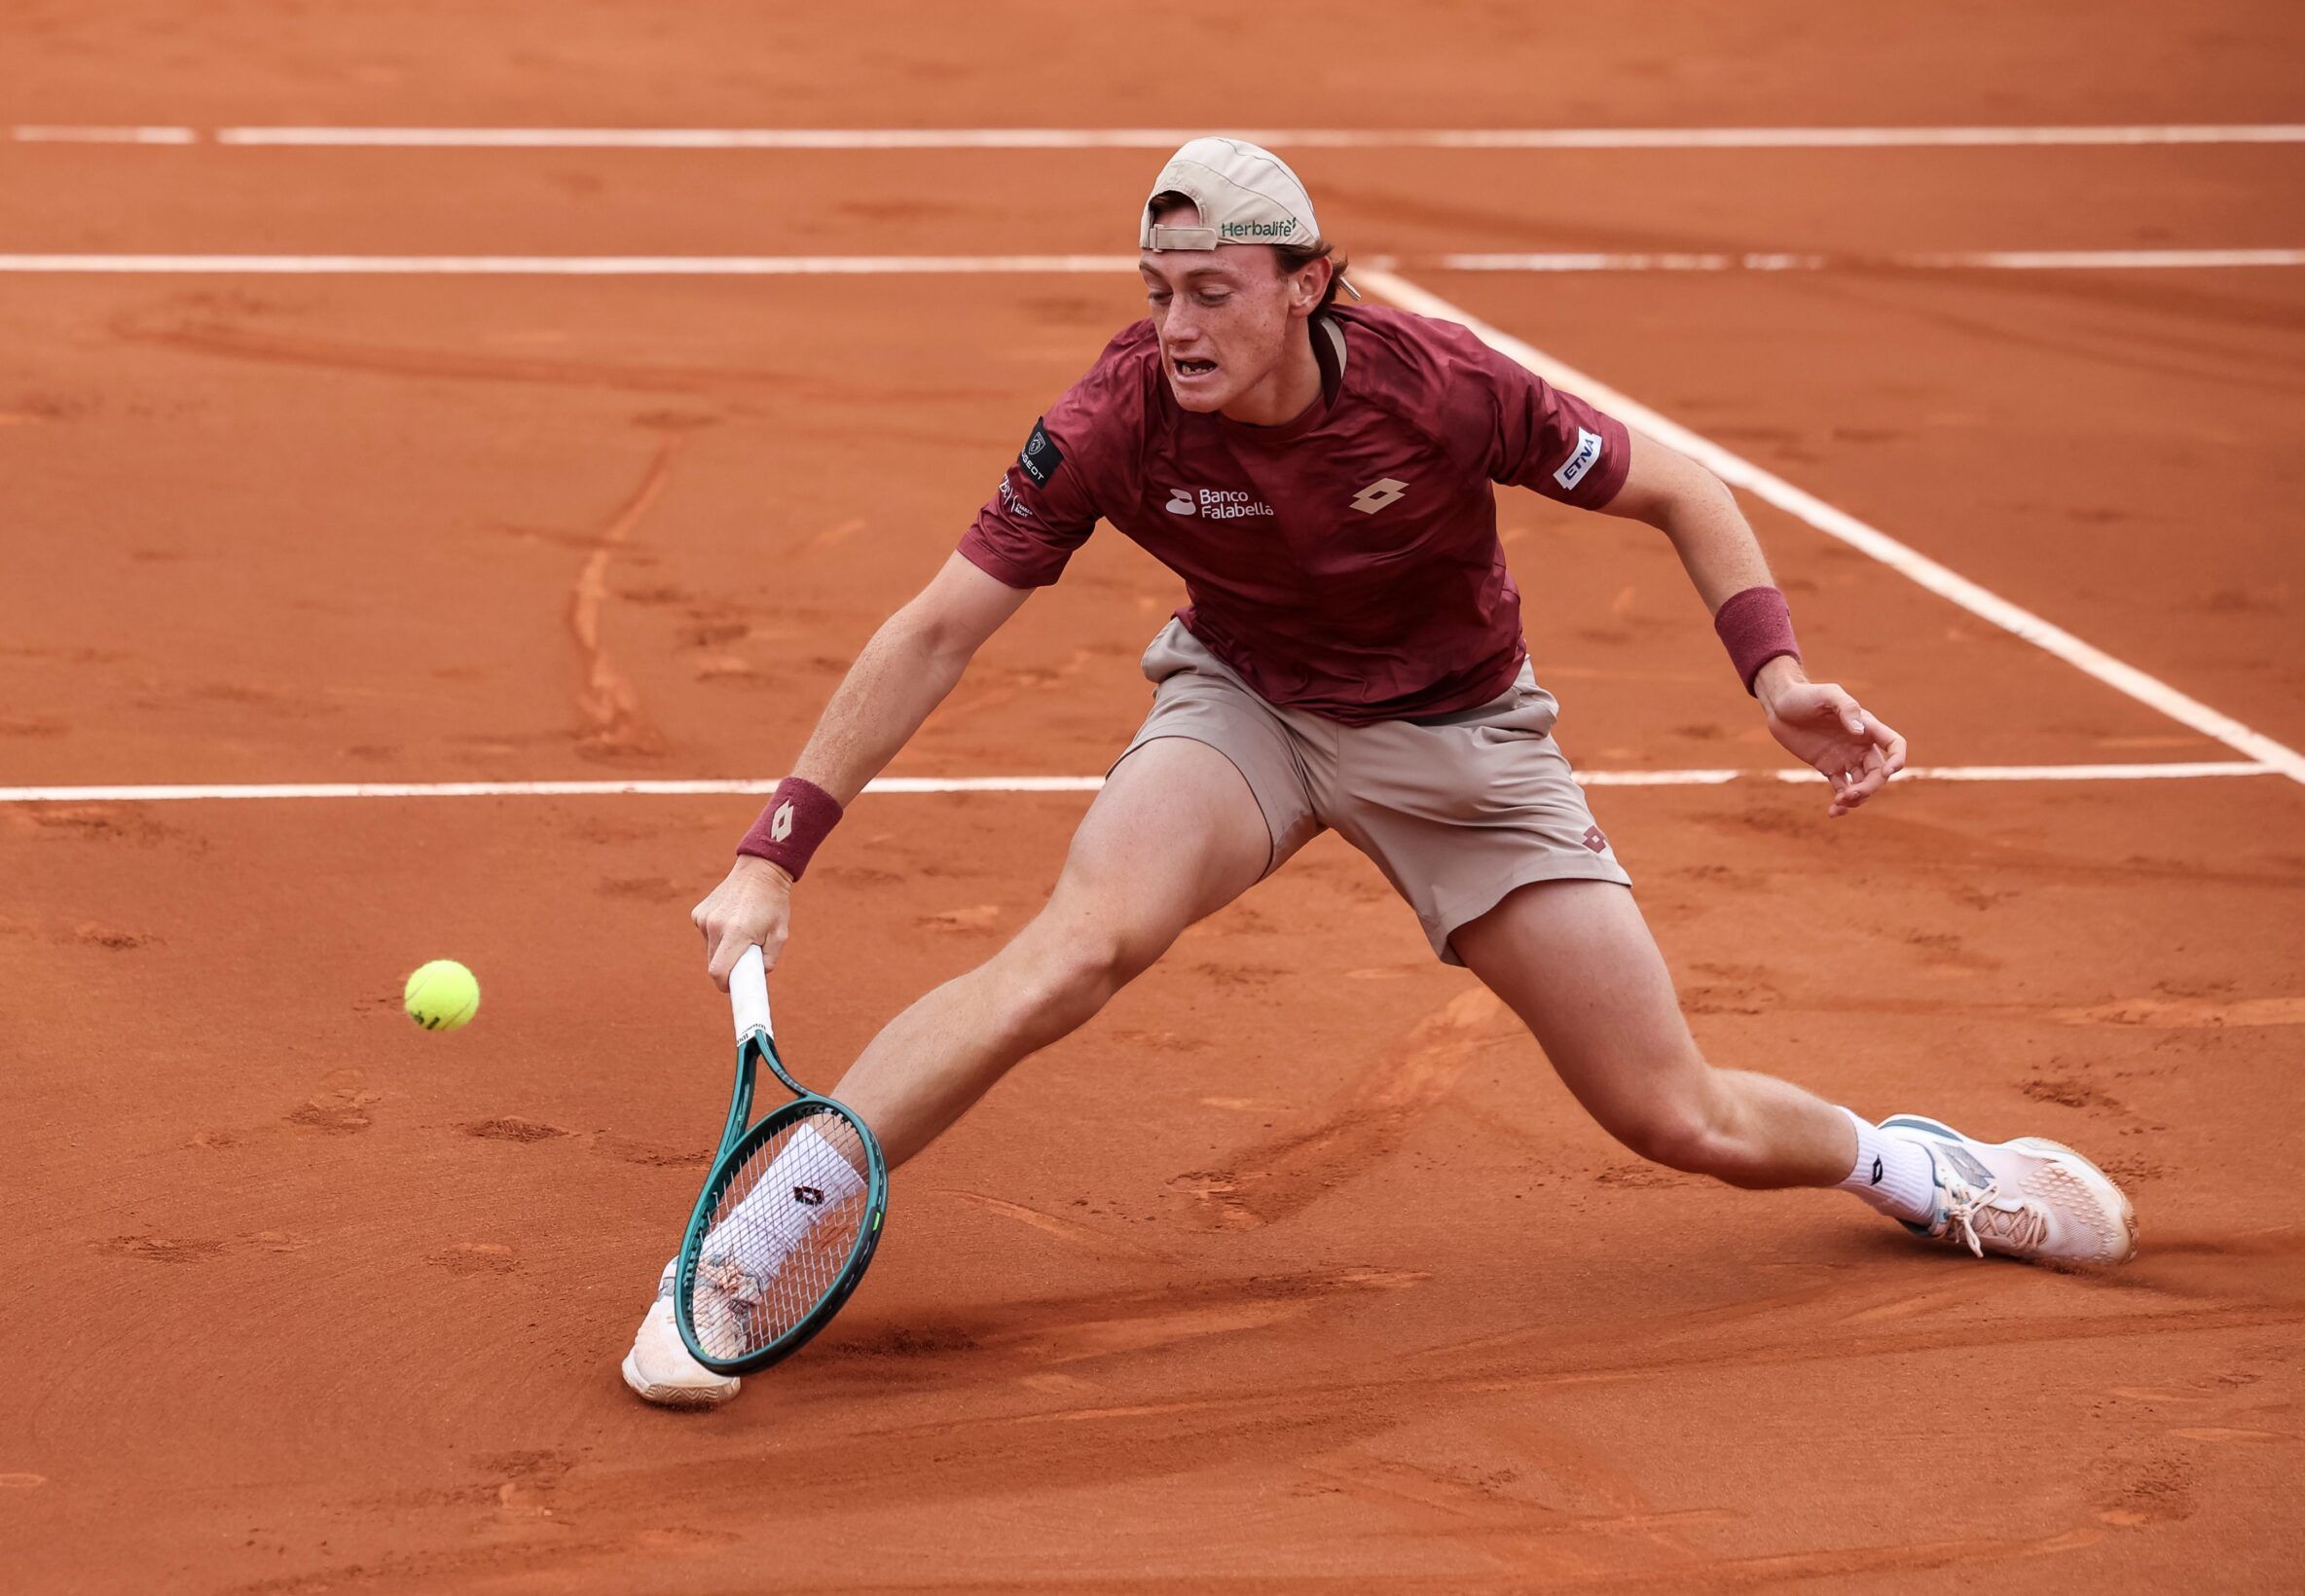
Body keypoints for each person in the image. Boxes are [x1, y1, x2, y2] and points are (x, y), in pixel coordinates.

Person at [622, 137, 2136, 1407]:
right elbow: (939, 628)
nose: (1180, 327)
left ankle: (1912, 1168)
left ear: (1307, 284)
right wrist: (776, 847)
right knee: (1071, 953)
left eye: (1214, 292)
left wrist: (1779, 674)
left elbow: (1683, 485)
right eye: (1159, 294)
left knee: (1681, 1120)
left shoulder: (1444, 387)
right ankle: (757, 1245)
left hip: (1466, 751)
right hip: (1250, 710)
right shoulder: (1114, 419)